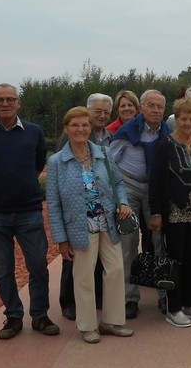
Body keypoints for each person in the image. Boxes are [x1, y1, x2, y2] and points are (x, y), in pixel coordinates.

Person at [0, 84, 59, 340]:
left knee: (38, 265)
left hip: (28, 210)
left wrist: (22, 183)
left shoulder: (34, 132)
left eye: (10, 99)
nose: (5, 104)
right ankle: (14, 316)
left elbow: (38, 162)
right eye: (0, 100)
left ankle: (40, 315)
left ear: (19, 103)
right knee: (3, 269)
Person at [46, 107, 134, 342]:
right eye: (75, 125)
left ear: (90, 127)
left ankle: (112, 321)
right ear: (67, 129)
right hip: (79, 227)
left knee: (115, 270)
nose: (80, 129)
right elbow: (53, 204)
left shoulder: (103, 154)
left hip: (107, 223)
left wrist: (123, 202)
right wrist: (61, 240)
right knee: (84, 277)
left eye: (85, 124)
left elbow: (118, 183)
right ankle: (87, 327)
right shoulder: (56, 162)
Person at [149, 98, 191, 328]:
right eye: (184, 119)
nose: (188, 123)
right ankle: (173, 307)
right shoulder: (165, 145)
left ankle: (190, 303)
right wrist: (156, 213)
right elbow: (155, 181)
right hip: (173, 214)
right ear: (176, 120)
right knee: (174, 262)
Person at [109, 89, 171, 319]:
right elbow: (110, 163)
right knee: (129, 243)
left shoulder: (168, 132)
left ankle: (165, 295)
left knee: (160, 242)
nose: (155, 110)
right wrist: (118, 196)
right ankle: (130, 298)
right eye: (151, 105)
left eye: (160, 107)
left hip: (156, 191)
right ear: (142, 108)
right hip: (130, 188)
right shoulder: (127, 131)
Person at [54, 93, 112, 321]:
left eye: (106, 112)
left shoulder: (106, 137)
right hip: (77, 210)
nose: (102, 115)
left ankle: (95, 297)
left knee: (95, 258)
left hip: (99, 209)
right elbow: (62, 173)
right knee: (72, 260)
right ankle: (68, 302)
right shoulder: (70, 137)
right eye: (97, 111)